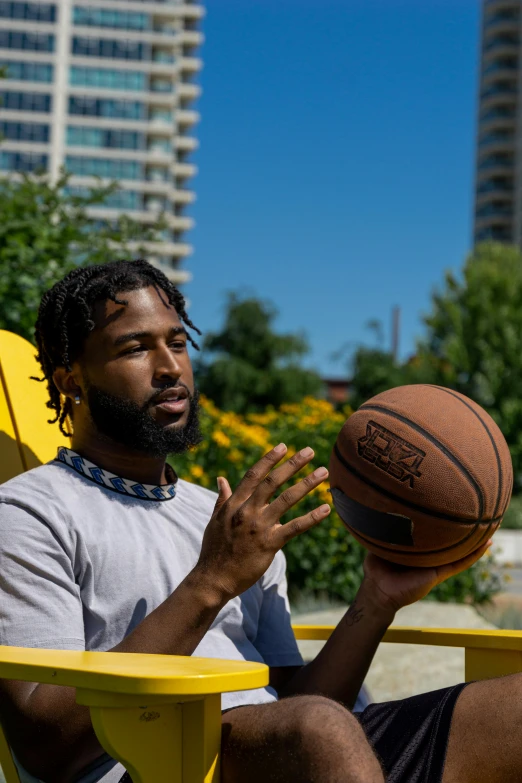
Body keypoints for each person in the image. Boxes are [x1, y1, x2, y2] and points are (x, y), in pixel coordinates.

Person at [0, 259, 519, 783]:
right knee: (318, 731)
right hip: (161, 765)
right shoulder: (31, 514)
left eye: (177, 344)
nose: (170, 367)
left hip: (294, 752)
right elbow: (47, 745)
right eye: (136, 348)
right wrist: (213, 581)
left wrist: (377, 598)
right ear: (71, 380)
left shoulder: (227, 519)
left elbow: (305, 703)